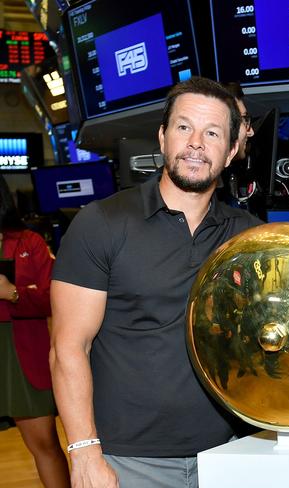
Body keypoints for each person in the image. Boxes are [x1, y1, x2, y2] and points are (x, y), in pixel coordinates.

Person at [49, 77, 262, 488]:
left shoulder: (248, 237)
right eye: (184, 127)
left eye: (213, 132)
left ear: (232, 150)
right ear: (163, 137)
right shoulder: (102, 223)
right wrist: (83, 451)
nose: (196, 143)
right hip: (127, 460)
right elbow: (68, 347)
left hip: (230, 451)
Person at [0, 175, 70, 488]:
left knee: (43, 444)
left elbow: (53, 296)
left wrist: (14, 293)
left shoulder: (28, 242)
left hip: (19, 352)